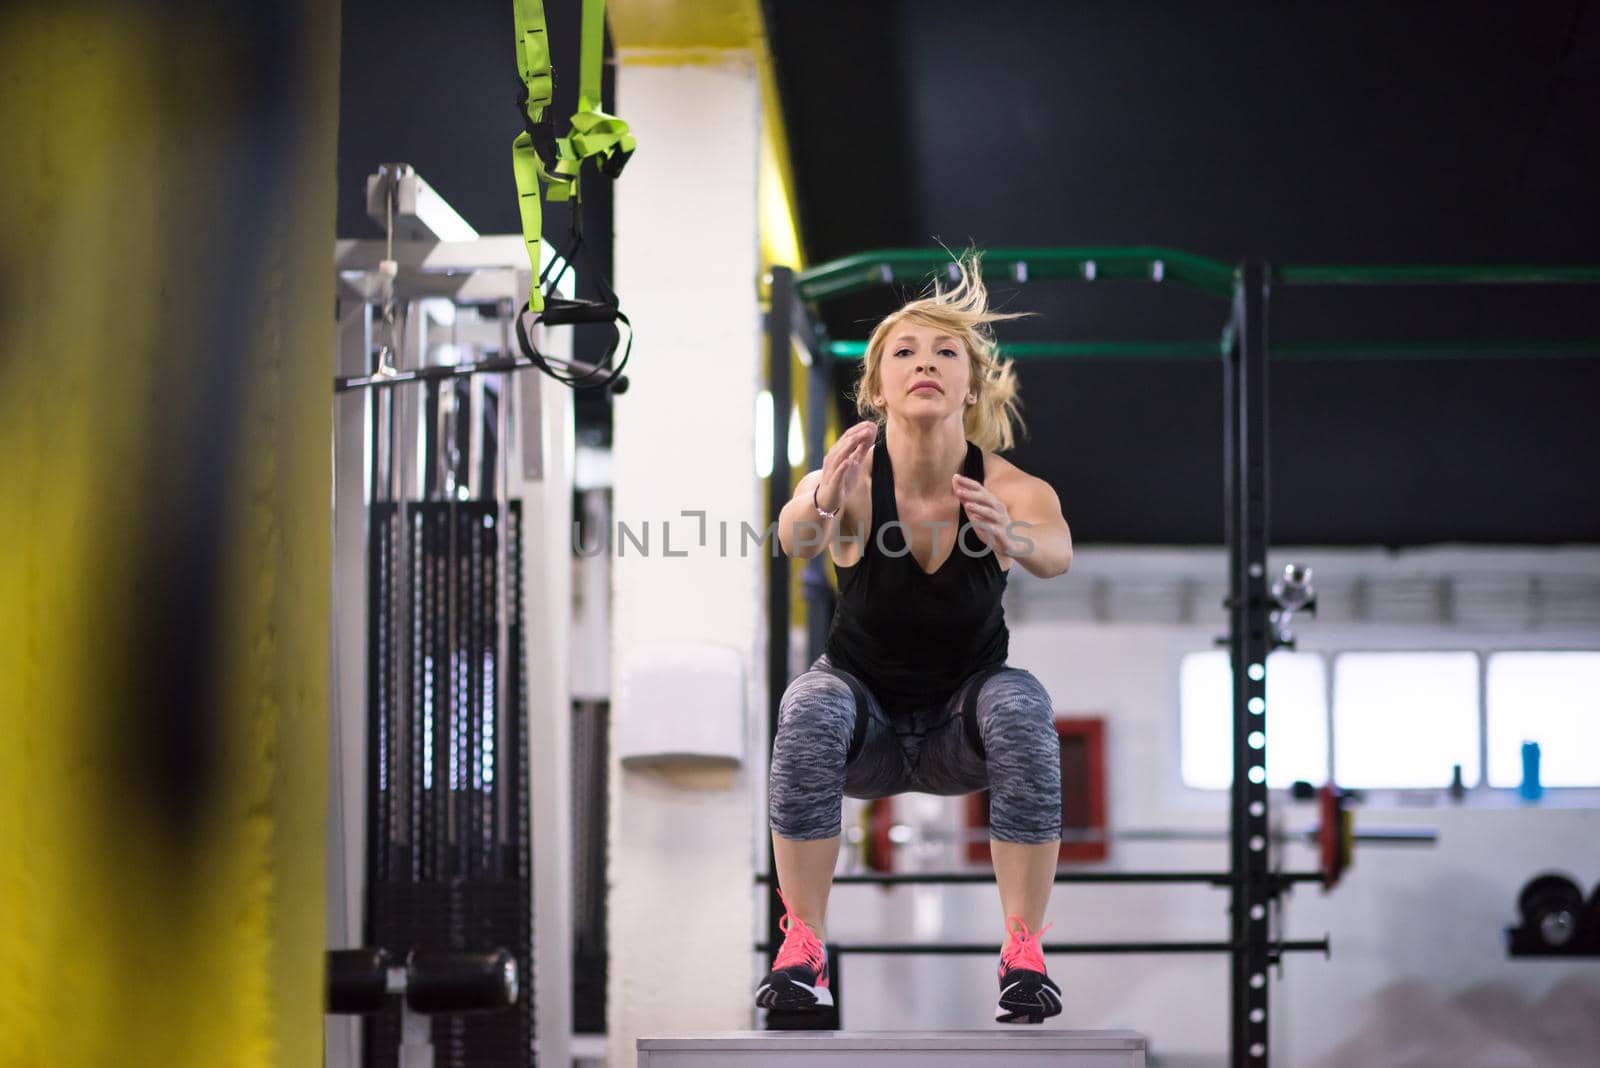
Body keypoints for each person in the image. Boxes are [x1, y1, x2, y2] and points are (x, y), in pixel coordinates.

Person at [757, 251, 1074, 1025]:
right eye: (904, 351)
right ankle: (804, 946)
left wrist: (1016, 540)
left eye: (945, 353)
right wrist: (823, 505)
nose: (925, 364)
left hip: (959, 730)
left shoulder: (1009, 488)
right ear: (876, 386)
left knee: (1024, 701)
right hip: (862, 726)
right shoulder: (851, 476)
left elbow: (1058, 553)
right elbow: (792, 534)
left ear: (971, 382)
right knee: (808, 704)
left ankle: (1024, 950)